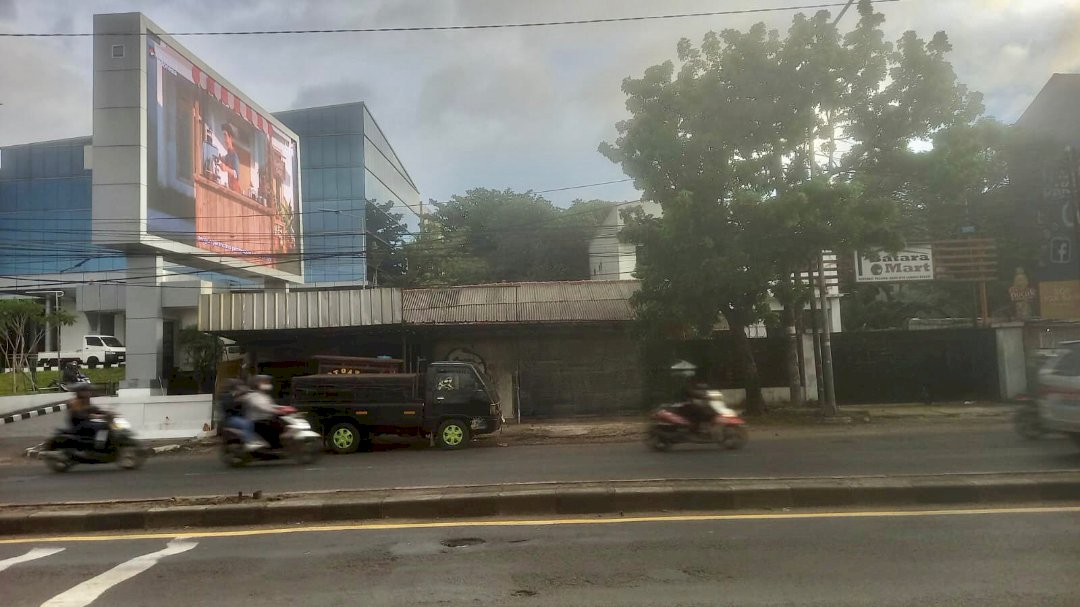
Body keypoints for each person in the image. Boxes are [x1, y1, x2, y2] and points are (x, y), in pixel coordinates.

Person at [239, 375, 282, 450]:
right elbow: (261, 407)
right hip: (257, 421)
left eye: (267, 382)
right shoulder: (252, 396)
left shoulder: (264, 395)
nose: (267, 384)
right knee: (275, 427)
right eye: (264, 382)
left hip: (266, 419)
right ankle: (273, 447)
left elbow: (271, 405)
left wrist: (283, 408)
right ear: (256, 384)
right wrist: (275, 411)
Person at [65, 382, 106, 448]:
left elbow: (95, 409)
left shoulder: (86, 401)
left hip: (86, 423)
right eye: (86, 390)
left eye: (89, 390)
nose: (89, 392)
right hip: (78, 425)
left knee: (106, 425)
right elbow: (79, 415)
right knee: (103, 425)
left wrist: (107, 413)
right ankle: (98, 447)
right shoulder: (74, 402)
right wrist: (96, 416)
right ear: (80, 392)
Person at [215, 123, 242, 193]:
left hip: (236, 191)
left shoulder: (234, 155)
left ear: (231, 138)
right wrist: (219, 158)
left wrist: (226, 168)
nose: (224, 140)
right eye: (223, 136)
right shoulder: (228, 155)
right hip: (231, 189)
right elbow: (225, 159)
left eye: (225, 136)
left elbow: (236, 174)